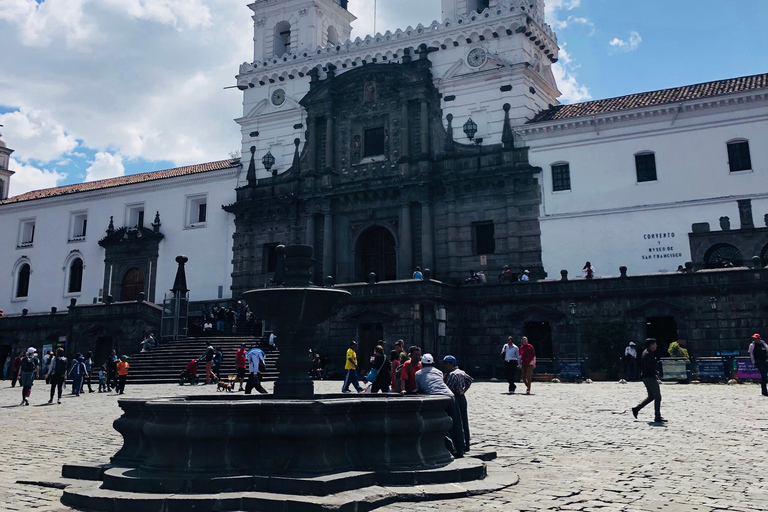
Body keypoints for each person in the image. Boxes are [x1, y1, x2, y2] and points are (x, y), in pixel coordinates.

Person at [414, 354, 465, 458]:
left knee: (437, 424)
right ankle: (460, 449)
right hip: (450, 396)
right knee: (456, 424)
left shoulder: (418, 374)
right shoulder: (439, 372)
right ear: (432, 363)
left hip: (435, 399)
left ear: (422, 363)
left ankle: (448, 448)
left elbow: (419, 389)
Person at [443, 355, 473, 453]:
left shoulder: (452, 375)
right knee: (464, 420)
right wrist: (464, 391)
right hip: (462, 397)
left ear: (451, 364)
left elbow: (448, 388)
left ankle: (460, 444)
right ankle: (467, 444)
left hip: (455, 397)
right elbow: (470, 380)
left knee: (457, 421)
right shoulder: (462, 372)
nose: (445, 366)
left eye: (446, 364)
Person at [631, 339, 666, 423]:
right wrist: (655, 374)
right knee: (657, 396)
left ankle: (636, 409)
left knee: (651, 396)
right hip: (649, 377)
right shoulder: (648, 354)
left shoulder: (646, 352)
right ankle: (657, 416)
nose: (656, 346)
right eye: (655, 344)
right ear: (651, 345)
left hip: (646, 377)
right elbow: (649, 367)